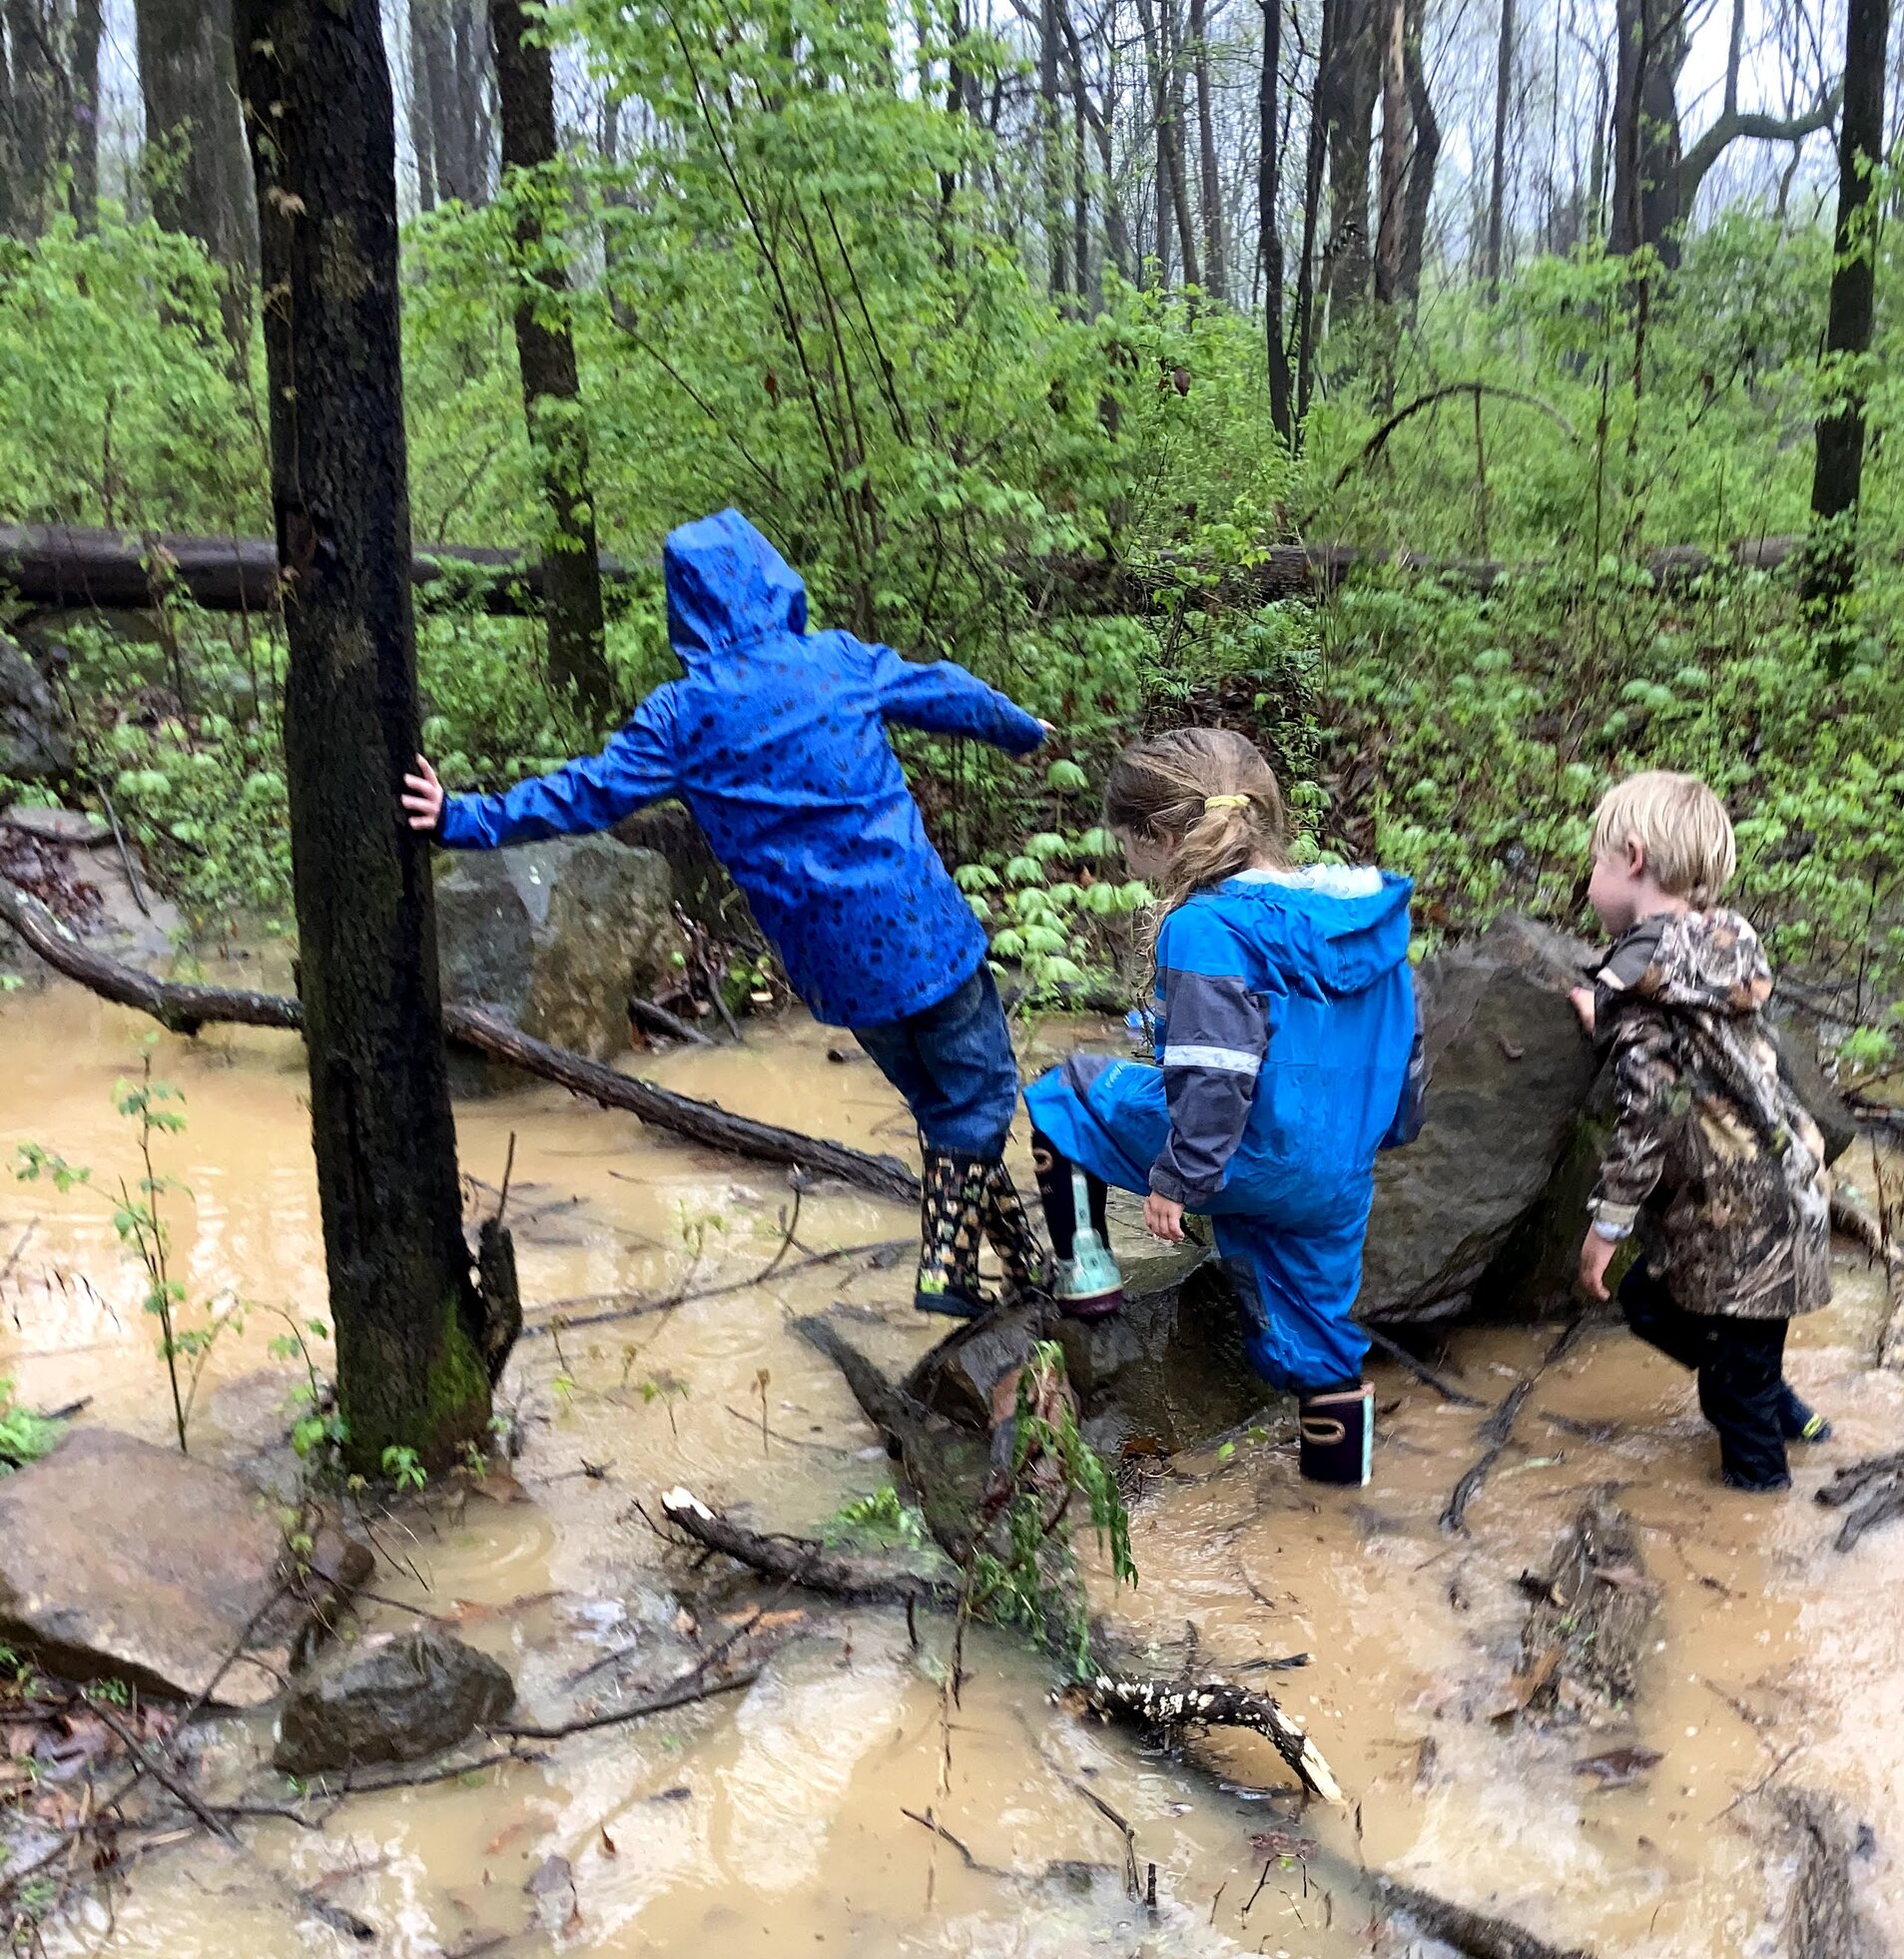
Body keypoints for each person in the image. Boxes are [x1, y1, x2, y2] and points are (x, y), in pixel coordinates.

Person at [399, 507, 1054, 1321]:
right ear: (774, 581)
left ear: (689, 608)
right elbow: (944, 691)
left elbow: (583, 792)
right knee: (982, 1095)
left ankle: (1028, 1272)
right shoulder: (833, 661)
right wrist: (1020, 729)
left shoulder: (681, 717)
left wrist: (463, 817)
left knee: (945, 1110)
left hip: (832, 967)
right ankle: (948, 1270)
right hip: (922, 930)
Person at [1021, 728, 1422, 1488]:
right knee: (1323, 1350)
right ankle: (1337, 1506)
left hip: (1247, 1154)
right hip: (1338, 1172)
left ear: (1161, 836)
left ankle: (1089, 1278)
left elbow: (1216, 1073)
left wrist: (1180, 1178)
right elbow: (1406, 1044)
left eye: (1127, 844)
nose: (1127, 862)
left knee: (1064, 1092)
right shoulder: (1366, 917)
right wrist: (1387, 1132)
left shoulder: (1202, 926)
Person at [1571, 770, 1832, 1493]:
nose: (1588, 882)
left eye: (1594, 863)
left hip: (1737, 1220)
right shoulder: (1729, 943)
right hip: (1790, 1195)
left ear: (1631, 858)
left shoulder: (1634, 972)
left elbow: (1649, 1108)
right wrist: (1611, 1020)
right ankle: (1788, 1411)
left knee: (1731, 1402)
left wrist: (1609, 1221)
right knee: (1655, 1307)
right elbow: (1696, 1033)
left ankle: (1756, 1536)